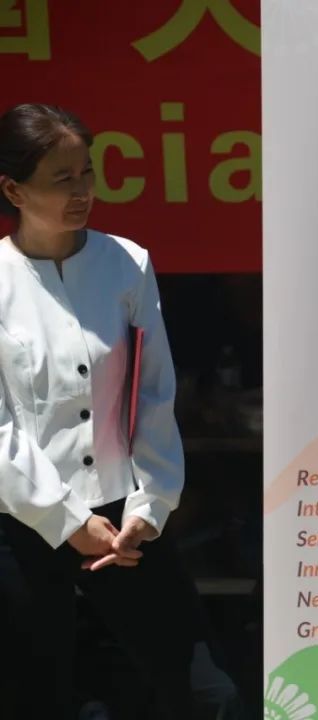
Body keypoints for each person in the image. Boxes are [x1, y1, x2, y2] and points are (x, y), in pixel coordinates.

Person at [0, 103, 196, 718]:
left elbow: (154, 391)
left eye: (86, 172)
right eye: (62, 179)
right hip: (22, 517)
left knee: (182, 679)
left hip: (124, 514)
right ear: (13, 190)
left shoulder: (126, 263)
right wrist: (65, 519)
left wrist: (151, 504)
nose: (82, 190)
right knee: (34, 691)